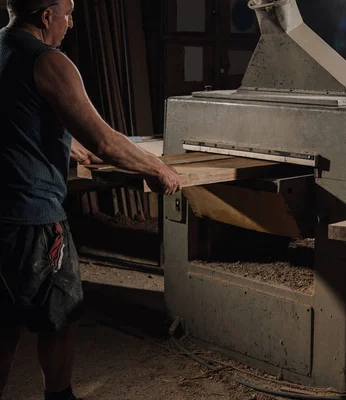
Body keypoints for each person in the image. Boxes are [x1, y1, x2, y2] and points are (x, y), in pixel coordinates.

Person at [0, 1, 182, 399]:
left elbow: (14, 116)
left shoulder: (2, 49)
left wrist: (57, 142)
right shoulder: (49, 61)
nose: (71, 22)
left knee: (5, 320)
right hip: (34, 220)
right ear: (46, 16)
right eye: (67, 12)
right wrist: (157, 167)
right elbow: (104, 140)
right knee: (61, 317)